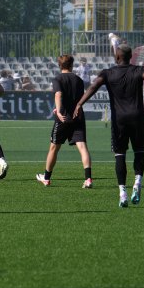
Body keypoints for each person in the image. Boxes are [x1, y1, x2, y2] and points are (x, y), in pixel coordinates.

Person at [74, 44, 144, 207]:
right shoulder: (137, 70)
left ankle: (122, 193)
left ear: (117, 57)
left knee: (120, 155)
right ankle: (137, 182)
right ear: (131, 57)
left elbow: (93, 86)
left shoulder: (108, 73)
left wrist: (80, 103)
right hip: (137, 118)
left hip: (119, 121)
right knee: (139, 152)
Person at [36, 54, 93, 189]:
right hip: (78, 116)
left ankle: (47, 178)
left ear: (59, 65)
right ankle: (88, 178)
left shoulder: (58, 79)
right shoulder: (79, 80)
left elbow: (58, 94)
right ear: (72, 65)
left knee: (54, 148)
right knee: (82, 147)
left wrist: (58, 110)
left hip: (63, 118)